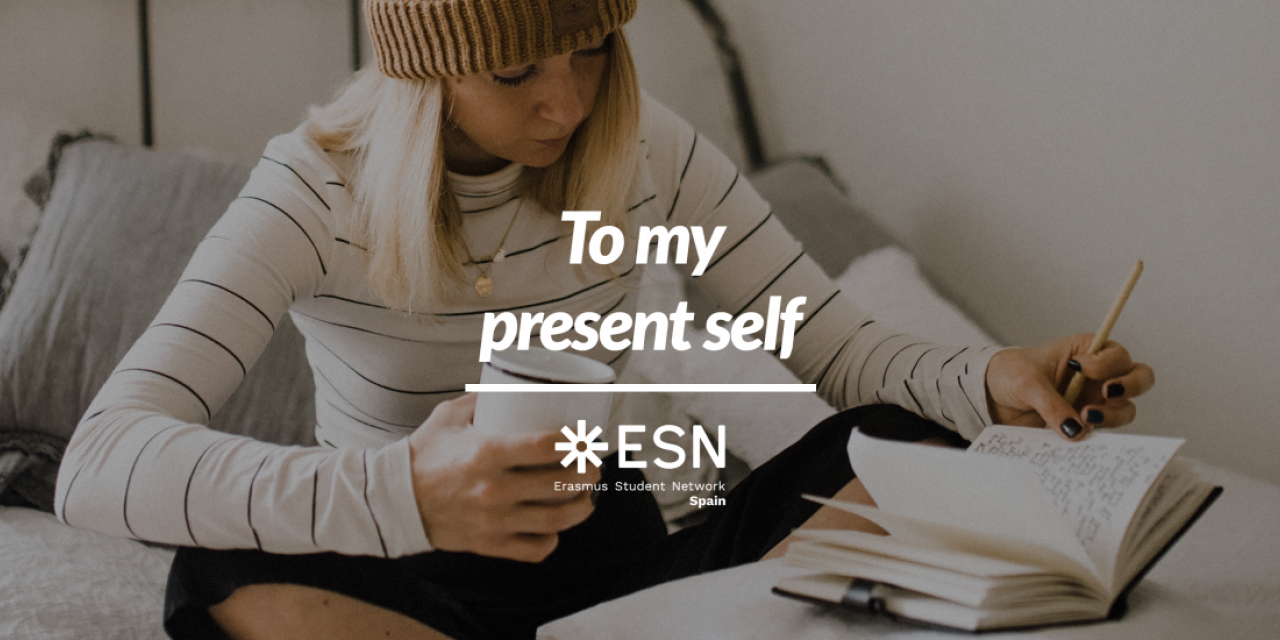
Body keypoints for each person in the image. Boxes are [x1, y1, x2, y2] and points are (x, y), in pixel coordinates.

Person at [52, 1, 1155, 638]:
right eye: (515, 71)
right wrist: (405, 490)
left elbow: (841, 345)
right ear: (426, 75)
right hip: (406, 575)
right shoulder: (313, 188)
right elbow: (97, 461)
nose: (567, 102)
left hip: (623, 569)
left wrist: (990, 376)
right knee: (211, 570)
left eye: (590, 48)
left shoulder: (645, 147)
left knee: (906, 441)